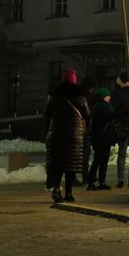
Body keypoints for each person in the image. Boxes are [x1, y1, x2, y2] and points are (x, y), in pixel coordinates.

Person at [44, 68, 90, 204]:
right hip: (74, 136)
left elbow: (46, 114)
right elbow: (87, 114)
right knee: (71, 165)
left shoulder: (54, 96)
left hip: (57, 134)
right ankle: (69, 193)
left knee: (57, 164)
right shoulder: (80, 97)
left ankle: (56, 189)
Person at [87, 87, 117, 190]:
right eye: (108, 96)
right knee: (99, 159)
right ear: (104, 97)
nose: (110, 97)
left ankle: (100, 181)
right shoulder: (101, 106)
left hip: (102, 137)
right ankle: (94, 181)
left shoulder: (99, 106)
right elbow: (112, 113)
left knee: (102, 160)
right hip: (101, 137)